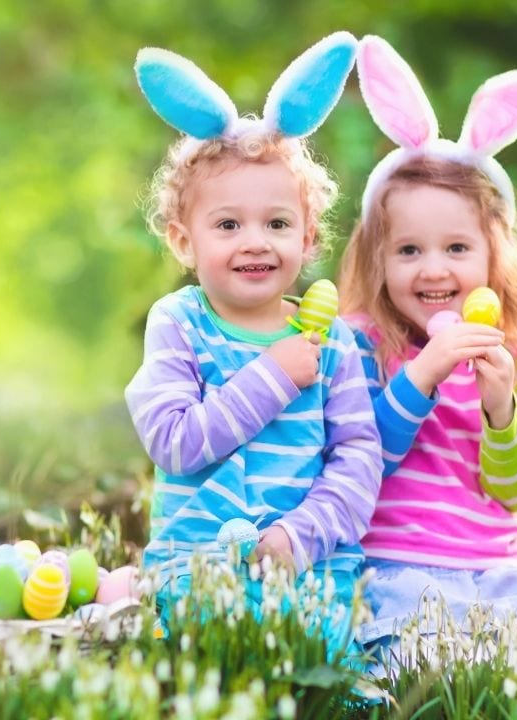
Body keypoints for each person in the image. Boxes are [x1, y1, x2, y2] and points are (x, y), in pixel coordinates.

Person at [124, 32, 382, 657]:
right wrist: (271, 375)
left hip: (309, 569)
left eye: (277, 223)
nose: (255, 241)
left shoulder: (333, 341)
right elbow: (174, 442)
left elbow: (358, 461)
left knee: (321, 664)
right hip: (196, 565)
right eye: (228, 224)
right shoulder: (179, 322)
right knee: (203, 660)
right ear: (185, 242)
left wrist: (299, 539)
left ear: (309, 235)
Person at [337, 35, 517, 676]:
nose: (433, 270)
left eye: (456, 249)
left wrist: (500, 410)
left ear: (494, 256)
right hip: (395, 568)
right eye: (408, 251)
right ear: (377, 261)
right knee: (419, 668)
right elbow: (357, 466)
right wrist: (421, 374)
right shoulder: (361, 343)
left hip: (494, 570)